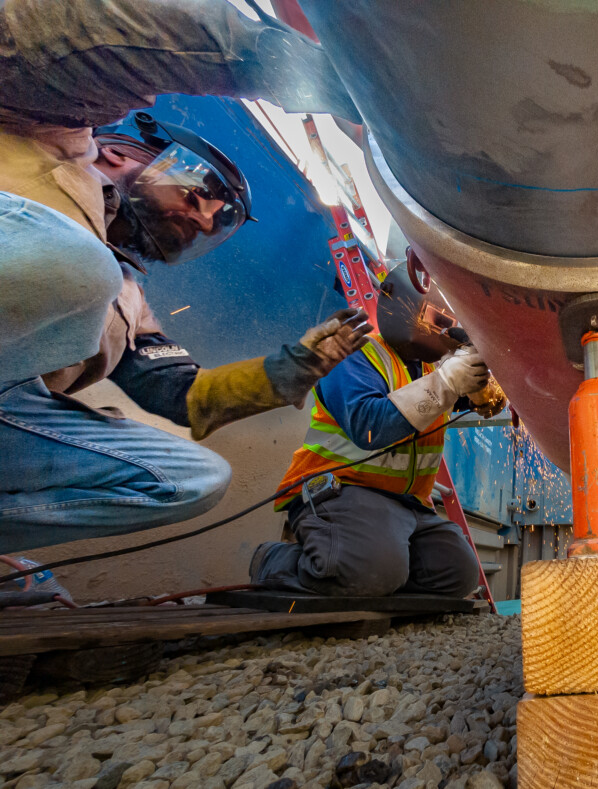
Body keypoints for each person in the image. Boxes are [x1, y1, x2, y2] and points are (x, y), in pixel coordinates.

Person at [0, 0, 368, 552]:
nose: (200, 216)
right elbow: (75, 32)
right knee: (84, 268)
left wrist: (297, 365)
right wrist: (279, 61)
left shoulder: (126, 302)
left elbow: (186, 396)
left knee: (192, 480)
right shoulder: (46, 124)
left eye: (211, 225)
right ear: (125, 150)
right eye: (197, 192)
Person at [251, 268, 506, 598]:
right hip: (341, 491)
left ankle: (378, 571)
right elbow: (368, 427)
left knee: (456, 574)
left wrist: (484, 387)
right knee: (370, 571)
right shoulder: (355, 354)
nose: (446, 331)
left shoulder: (431, 370)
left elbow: (477, 403)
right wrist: (447, 384)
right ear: (406, 308)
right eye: (439, 321)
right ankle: (275, 561)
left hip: (407, 505)